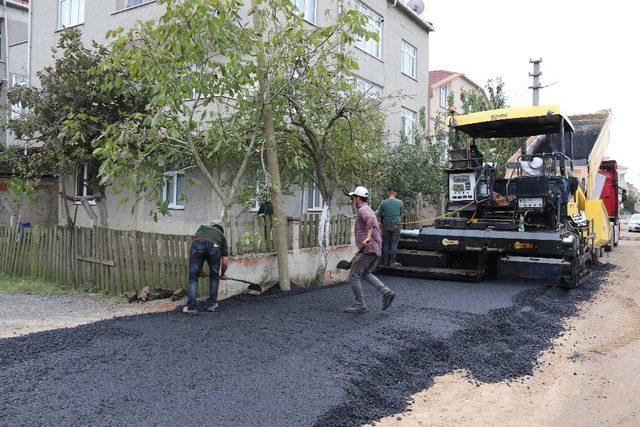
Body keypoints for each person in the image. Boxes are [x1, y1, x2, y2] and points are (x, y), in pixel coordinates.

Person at [345, 186, 396, 314]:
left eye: (354, 197)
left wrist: (367, 237)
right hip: (374, 248)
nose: (353, 200)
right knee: (365, 273)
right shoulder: (367, 209)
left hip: (369, 249)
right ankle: (386, 292)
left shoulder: (363, 210)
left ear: (357, 198)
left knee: (354, 275)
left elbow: (371, 220)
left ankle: (360, 305)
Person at [183, 221, 229, 315]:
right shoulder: (221, 236)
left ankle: (192, 308)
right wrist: (222, 274)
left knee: (193, 278)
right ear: (221, 230)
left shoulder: (202, 229)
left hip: (197, 246)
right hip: (214, 247)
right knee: (214, 277)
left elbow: (198, 255)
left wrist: (199, 270)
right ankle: (212, 305)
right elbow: (224, 262)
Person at [377, 187, 404, 267]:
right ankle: (392, 262)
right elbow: (400, 213)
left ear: (388, 192)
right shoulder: (400, 202)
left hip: (386, 225)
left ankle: (385, 262)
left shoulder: (383, 202)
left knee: (386, 243)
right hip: (396, 225)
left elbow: (379, 214)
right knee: (394, 244)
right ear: (395, 193)